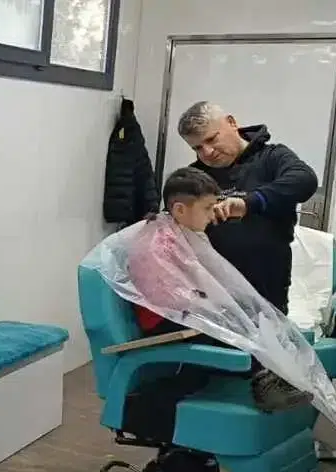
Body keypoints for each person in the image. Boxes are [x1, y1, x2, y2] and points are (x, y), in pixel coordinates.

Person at [129, 168, 311, 412]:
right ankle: (267, 388)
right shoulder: (158, 244)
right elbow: (168, 298)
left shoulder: (180, 233)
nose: (212, 215)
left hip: (183, 313)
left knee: (252, 320)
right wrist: (216, 307)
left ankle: (276, 378)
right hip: (166, 321)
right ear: (180, 210)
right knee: (241, 328)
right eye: (207, 208)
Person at [177, 101, 319, 312]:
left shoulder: (272, 157)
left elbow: (305, 180)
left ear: (232, 123)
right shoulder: (195, 176)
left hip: (266, 293)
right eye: (197, 148)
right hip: (211, 296)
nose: (207, 152)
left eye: (211, 139)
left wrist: (249, 203)